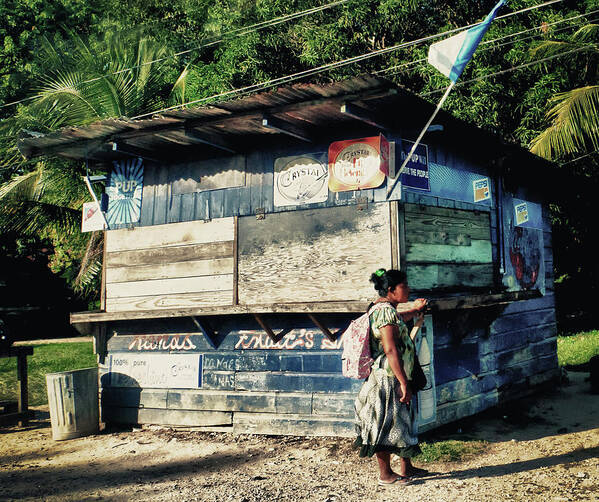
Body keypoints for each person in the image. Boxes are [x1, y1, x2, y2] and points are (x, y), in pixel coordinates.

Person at [354, 268, 428, 486]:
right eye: (404, 286)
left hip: (396, 373)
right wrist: (403, 382)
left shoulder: (388, 311)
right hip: (388, 376)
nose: (409, 289)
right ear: (391, 290)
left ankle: (407, 467)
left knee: (403, 419)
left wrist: (415, 310)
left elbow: (397, 320)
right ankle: (385, 474)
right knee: (384, 423)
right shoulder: (385, 311)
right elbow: (390, 349)